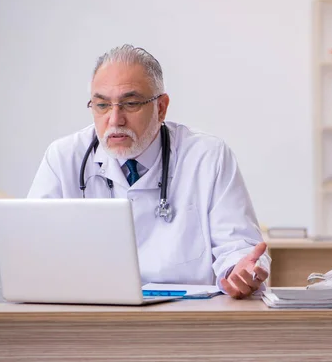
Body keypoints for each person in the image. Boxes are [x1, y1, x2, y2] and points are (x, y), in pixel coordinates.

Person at [27, 44, 270, 299]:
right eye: (102, 105)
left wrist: (239, 270)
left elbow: (237, 248)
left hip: (186, 319)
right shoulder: (63, 157)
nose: (115, 119)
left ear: (161, 107)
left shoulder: (208, 157)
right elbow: (33, 250)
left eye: (130, 104)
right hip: (90, 317)